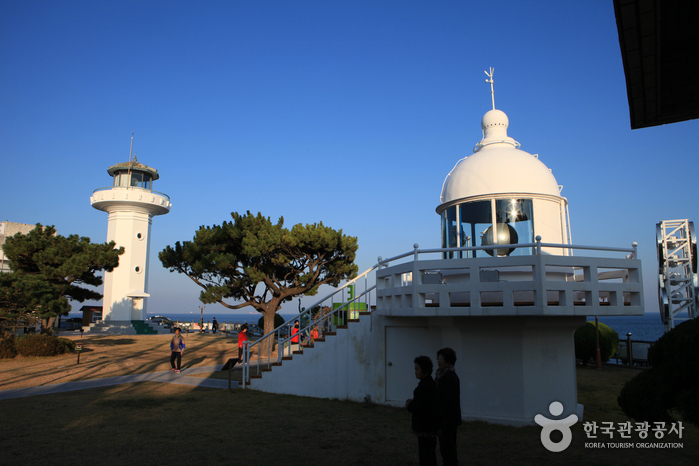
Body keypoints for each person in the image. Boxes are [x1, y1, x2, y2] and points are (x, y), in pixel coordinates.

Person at [406, 356, 441, 466]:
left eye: (417, 370)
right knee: (429, 454)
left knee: (426, 455)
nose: (415, 372)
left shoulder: (425, 387)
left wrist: (409, 404)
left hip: (426, 427)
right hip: (430, 427)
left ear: (424, 370)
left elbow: (419, 407)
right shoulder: (429, 384)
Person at [436, 348, 462, 465]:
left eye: (442, 358)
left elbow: (449, 400)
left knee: (448, 446)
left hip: (448, 420)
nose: (439, 361)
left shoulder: (450, 377)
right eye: (438, 358)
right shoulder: (442, 376)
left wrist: (444, 419)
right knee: (445, 446)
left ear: (449, 361)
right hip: (445, 418)